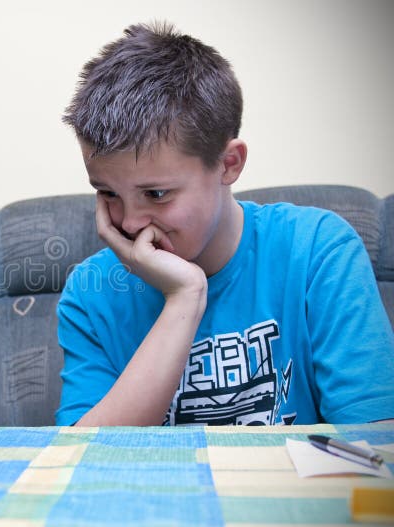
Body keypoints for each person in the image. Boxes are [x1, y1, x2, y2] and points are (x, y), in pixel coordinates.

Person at [55, 22, 394, 427]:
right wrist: (185, 296)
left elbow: (375, 449)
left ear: (228, 164)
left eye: (157, 194)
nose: (129, 224)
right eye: (108, 193)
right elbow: (81, 460)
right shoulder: (90, 293)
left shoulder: (318, 250)